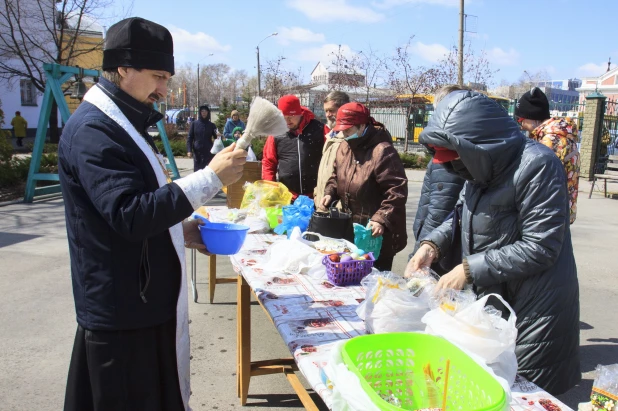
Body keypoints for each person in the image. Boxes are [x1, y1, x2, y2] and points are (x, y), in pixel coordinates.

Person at [58, 17, 247, 411]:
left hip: (142, 303)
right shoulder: (95, 130)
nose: (164, 90)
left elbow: (140, 203)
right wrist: (209, 179)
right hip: (122, 314)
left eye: (167, 77)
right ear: (123, 68)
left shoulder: (124, 121)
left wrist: (179, 229)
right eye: (158, 76)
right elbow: (129, 215)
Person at [406, 89, 580, 395]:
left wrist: (468, 269)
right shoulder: (481, 167)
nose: (454, 168)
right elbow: (460, 215)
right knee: (486, 386)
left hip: (534, 306)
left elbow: (541, 246)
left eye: (457, 159)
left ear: (479, 146)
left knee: (520, 391)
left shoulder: (538, 165)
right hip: (497, 297)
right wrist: (431, 245)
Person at [321, 102, 408, 271]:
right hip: (352, 229)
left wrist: (381, 218)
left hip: (376, 233)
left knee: (373, 283)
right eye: (341, 130)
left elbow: (397, 190)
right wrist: (330, 192)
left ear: (363, 126)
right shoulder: (344, 147)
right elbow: (336, 175)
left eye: (348, 130)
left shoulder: (383, 151)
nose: (344, 134)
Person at [412, 85, 467, 273]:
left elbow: (440, 211)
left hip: (442, 254)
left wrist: (423, 248)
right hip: (434, 245)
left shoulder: (452, 154)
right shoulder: (441, 152)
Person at [515, 87, 580, 224]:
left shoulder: (550, 141)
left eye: (520, 119)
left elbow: (538, 179)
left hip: (549, 212)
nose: (520, 125)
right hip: (562, 208)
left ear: (533, 118)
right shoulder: (562, 136)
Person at [262, 95, 328, 199]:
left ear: (300, 113)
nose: (287, 121)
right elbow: (269, 162)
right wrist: (270, 187)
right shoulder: (276, 133)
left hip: (317, 195)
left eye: (290, 117)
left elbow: (332, 158)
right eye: (283, 117)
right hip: (287, 195)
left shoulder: (320, 129)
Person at [314, 91, 350, 208]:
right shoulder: (330, 135)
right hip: (323, 203)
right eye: (326, 111)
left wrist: (338, 203)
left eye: (332, 110)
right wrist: (317, 194)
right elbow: (325, 171)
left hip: (336, 207)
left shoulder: (349, 138)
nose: (328, 115)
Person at [187, 104, 218, 172]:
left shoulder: (211, 125)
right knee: (197, 172)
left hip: (208, 152)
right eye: (202, 111)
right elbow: (190, 138)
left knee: (208, 171)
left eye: (205, 111)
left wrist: (219, 136)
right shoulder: (194, 124)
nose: (204, 113)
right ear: (200, 112)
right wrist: (189, 150)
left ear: (208, 113)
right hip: (197, 152)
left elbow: (217, 138)